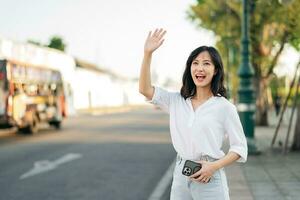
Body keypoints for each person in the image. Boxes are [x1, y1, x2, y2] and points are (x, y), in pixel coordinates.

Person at [139, 28, 248, 200]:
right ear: (190, 68)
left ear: (216, 70)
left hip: (210, 176)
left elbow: (240, 148)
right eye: (195, 63)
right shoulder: (176, 101)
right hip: (182, 173)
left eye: (206, 63)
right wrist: (147, 54)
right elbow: (145, 90)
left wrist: (213, 167)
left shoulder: (224, 107)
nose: (200, 68)